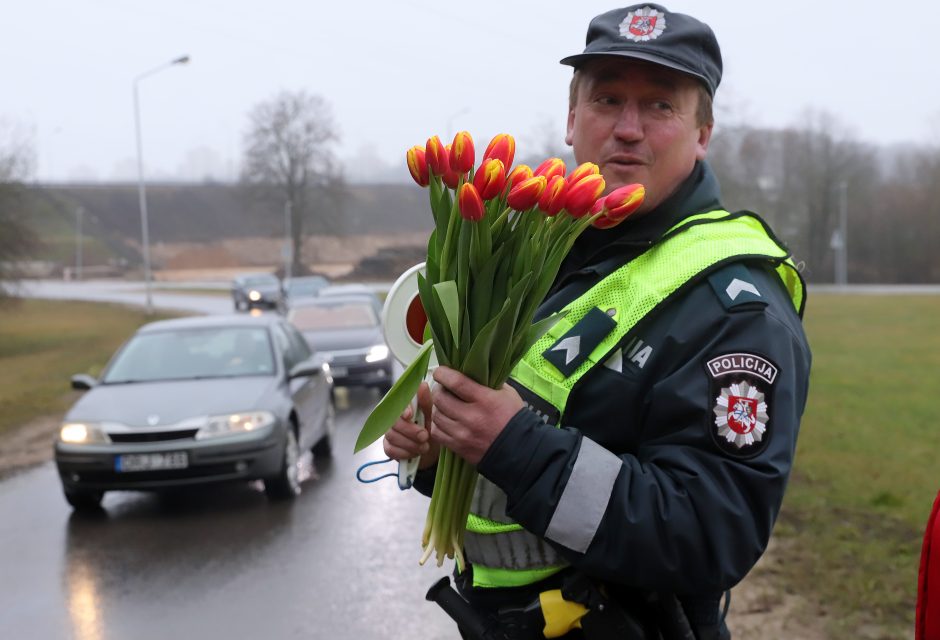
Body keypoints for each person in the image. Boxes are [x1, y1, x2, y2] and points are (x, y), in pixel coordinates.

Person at [384, 4, 811, 639]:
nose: (628, 129)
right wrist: (439, 448)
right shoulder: (535, 256)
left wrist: (514, 444)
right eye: (607, 98)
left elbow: (712, 533)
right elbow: (514, 466)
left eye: (661, 106)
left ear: (703, 133)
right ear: (570, 119)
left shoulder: (734, 303)